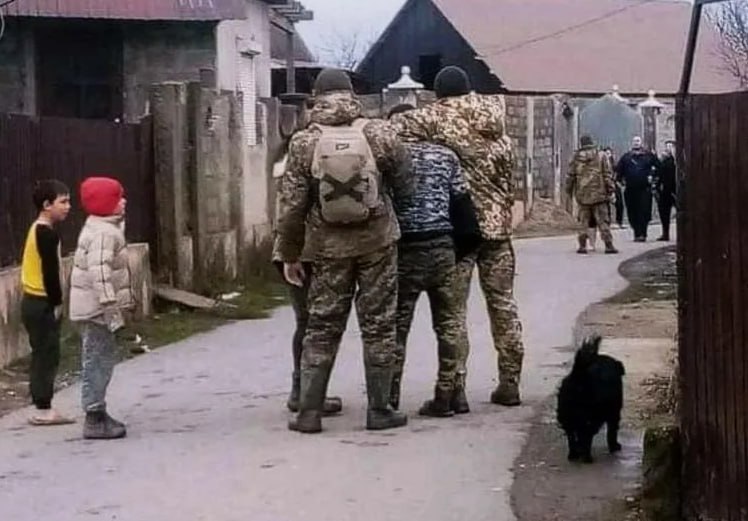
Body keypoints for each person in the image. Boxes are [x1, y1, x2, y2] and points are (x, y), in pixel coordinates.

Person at [276, 68, 413, 433]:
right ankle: (379, 410)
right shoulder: (380, 132)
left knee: (321, 326)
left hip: (327, 247)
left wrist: (290, 254)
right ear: (352, 95)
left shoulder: (304, 141)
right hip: (378, 243)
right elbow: (407, 184)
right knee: (379, 325)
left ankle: (309, 413)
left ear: (316, 97)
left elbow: (291, 207)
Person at [391, 65, 524, 409]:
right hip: (499, 230)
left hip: (461, 232)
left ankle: (456, 388)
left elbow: (393, 128)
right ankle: (510, 383)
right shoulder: (499, 125)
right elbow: (511, 182)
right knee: (503, 306)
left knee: (454, 313)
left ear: (439, 93)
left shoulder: (438, 116)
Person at [387, 103, 480, 417]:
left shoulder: (391, 157)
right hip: (442, 246)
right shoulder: (446, 156)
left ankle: (389, 398)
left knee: (397, 327)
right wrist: (461, 249)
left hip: (405, 250)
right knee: (448, 325)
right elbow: (463, 205)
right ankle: (447, 395)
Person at [270, 155, 343, 416]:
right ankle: (308, 394)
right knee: (321, 325)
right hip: (319, 249)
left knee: (305, 321)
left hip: (292, 248)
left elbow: (285, 210)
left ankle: (302, 391)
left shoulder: (291, 156)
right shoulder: (331, 152)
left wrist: (287, 253)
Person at [69, 177, 134, 440]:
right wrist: (110, 307)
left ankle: (98, 411)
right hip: (96, 310)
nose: (124, 201)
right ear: (105, 204)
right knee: (97, 360)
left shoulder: (103, 227)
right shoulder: (104, 233)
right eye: (118, 198)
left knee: (101, 358)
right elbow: (100, 274)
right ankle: (94, 416)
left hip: (95, 308)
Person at [20, 180, 74, 426]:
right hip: (40, 301)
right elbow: (50, 273)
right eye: (63, 202)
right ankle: (43, 408)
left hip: (32, 301)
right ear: (46, 205)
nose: (68, 207)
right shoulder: (46, 234)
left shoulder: (37, 229)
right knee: (46, 354)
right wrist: (57, 302)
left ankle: (42, 404)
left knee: (42, 352)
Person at [566, 135, 618, 254]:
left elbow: (570, 176)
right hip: (599, 194)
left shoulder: (576, 157)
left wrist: (569, 191)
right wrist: (611, 189)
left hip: (582, 194)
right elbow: (607, 174)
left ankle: (582, 245)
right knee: (603, 221)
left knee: (583, 222)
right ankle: (608, 245)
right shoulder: (601, 155)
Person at [616, 136, 660, 242]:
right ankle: (636, 232)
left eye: (638, 141)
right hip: (630, 189)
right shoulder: (626, 157)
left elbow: (659, 167)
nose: (636, 143)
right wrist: (620, 182)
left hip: (644, 189)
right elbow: (619, 172)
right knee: (632, 211)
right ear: (632, 143)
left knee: (644, 210)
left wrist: (653, 177)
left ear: (641, 142)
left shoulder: (649, 156)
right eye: (634, 141)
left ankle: (643, 234)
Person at [654, 140, 677, 241]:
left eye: (670, 147)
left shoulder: (676, 161)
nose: (668, 149)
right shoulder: (663, 161)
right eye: (667, 147)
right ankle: (665, 233)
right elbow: (659, 174)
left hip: (674, 190)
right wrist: (657, 187)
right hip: (664, 191)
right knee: (664, 213)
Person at [603, 147, 625, 228]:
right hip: (604, 185)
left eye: (609, 153)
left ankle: (619, 221)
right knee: (606, 204)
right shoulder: (601, 163)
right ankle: (607, 222)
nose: (608, 155)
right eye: (606, 153)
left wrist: (620, 181)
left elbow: (619, 172)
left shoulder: (614, 163)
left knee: (619, 203)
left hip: (614, 184)